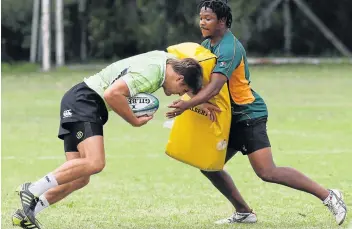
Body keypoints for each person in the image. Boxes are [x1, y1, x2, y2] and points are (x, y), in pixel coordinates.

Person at [166, 0, 347, 225]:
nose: (202, 22)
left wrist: (186, 104)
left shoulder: (229, 48)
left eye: (208, 18)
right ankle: (244, 212)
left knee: (267, 171)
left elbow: (214, 87)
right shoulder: (207, 45)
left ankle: (330, 196)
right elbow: (201, 84)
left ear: (222, 21)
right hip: (228, 116)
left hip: (248, 114)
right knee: (208, 165)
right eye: (201, 18)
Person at [12, 50, 203, 229]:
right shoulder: (152, 74)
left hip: (78, 99)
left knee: (79, 177)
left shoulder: (166, 59)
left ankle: (26, 213)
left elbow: (188, 66)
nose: (178, 93)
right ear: (179, 77)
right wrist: (134, 121)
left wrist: (197, 101)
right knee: (95, 162)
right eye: (182, 88)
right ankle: (33, 189)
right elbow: (111, 94)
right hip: (86, 101)